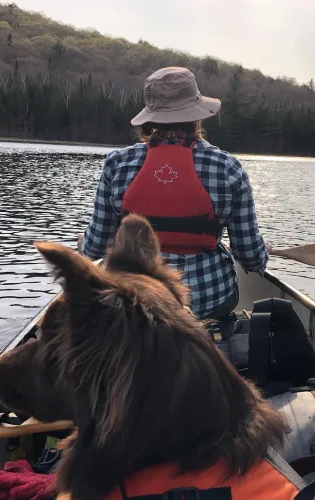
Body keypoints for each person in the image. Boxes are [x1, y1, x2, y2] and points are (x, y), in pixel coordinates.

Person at [79, 66, 270, 320]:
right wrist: (261, 252)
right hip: (207, 300)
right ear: (197, 116)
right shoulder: (227, 168)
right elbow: (250, 257)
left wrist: (85, 243)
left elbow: (95, 248)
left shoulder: (117, 164)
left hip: (132, 304)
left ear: (150, 119)